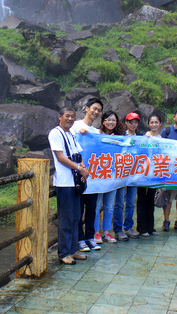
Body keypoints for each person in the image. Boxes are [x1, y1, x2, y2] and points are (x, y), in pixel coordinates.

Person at [48, 106, 89, 265]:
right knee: (66, 218)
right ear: (60, 116)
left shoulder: (71, 134)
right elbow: (60, 157)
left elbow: (78, 155)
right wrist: (80, 168)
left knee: (76, 217)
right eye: (67, 116)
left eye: (72, 116)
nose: (70, 119)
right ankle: (64, 252)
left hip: (75, 182)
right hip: (64, 183)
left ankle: (73, 250)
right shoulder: (55, 133)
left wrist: (83, 170)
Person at [71, 98, 103, 252]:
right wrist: (80, 133)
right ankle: (79, 239)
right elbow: (71, 145)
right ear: (87, 108)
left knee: (92, 208)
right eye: (94, 108)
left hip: (93, 177)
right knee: (79, 209)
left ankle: (90, 237)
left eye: (99, 110)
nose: (96, 112)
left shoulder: (96, 132)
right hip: (78, 175)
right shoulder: (76, 126)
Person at [93, 111, 124, 244]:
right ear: (103, 121)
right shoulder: (96, 134)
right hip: (100, 175)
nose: (110, 122)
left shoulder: (121, 137)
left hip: (114, 176)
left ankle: (106, 232)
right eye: (108, 119)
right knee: (96, 205)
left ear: (117, 122)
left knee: (109, 206)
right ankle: (96, 232)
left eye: (113, 120)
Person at [113, 112, 142, 240]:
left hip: (134, 174)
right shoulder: (120, 137)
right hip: (121, 174)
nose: (133, 125)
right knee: (119, 203)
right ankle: (118, 229)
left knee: (130, 202)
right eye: (131, 122)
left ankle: (128, 227)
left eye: (135, 122)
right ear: (126, 123)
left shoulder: (141, 138)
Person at [136, 112, 163, 236]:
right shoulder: (144, 137)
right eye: (152, 122)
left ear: (160, 124)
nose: (154, 124)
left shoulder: (162, 139)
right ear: (148, 124)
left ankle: (150, 227)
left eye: (156, 122)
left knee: (151, 199)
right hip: (143, 172)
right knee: (141, 199)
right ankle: (142, 228)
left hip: (155, 173)